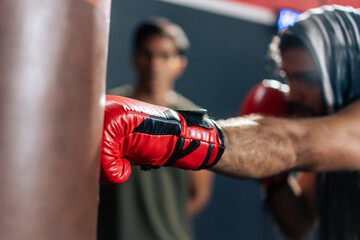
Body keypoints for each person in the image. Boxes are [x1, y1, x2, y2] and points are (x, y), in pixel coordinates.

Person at [100, 5, 360, 239]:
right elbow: (299, 224)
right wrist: (275, 175)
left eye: (305, 78)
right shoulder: (331, 145)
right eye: (289, 78)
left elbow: (294, 143)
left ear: (345, 71)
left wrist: (169, 133)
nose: (291, 95)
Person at [97, 17, 214, 240]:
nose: (155, 65)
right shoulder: (107, 109)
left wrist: (163, 222)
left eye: (164, 56)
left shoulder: (196, 120)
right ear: (135, 58)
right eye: (148, 54)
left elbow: (200, 194)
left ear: (180, 64)